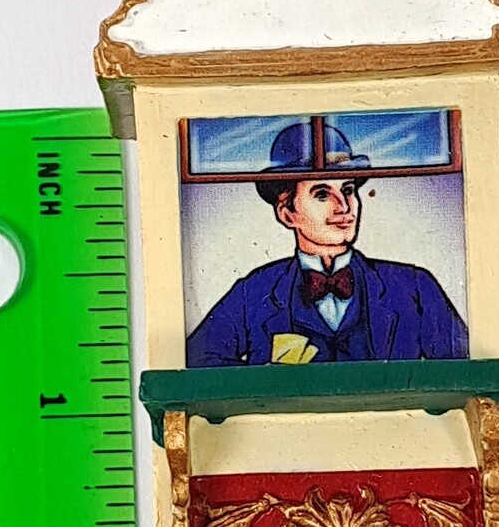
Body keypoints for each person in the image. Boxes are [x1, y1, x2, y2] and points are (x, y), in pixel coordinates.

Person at [186, 122, 468, 367]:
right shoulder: (254, 293)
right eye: (322, 194)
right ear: (287, 213)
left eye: (348, 190)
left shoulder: (414, 287)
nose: (344, 206)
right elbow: (196, 363)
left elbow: (466, 369)